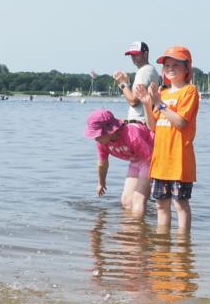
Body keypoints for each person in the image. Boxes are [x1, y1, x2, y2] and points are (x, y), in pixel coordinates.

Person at [135, 46, 200, 232]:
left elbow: (180, 122)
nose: (170, 68)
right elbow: (152, 126)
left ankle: (182, 249)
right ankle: (162, 249)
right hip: (160, 161)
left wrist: (159, 104)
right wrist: (148, 104)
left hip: (179, 161)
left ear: (187, 68)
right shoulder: (162, 93)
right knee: (160, 206)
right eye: (167, 65)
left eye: (175, 65)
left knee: (180, 205)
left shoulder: (189, 91)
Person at [84, 109, 155, 218]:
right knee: (126, 201)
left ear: (109, 130)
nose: (96, 139)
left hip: (151, 157)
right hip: (135, 160)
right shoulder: (102, 143)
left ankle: (136, 230)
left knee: (138, 198)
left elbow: (152, 158)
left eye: (98, 134)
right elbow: (102, 164)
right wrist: (101, 183)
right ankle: (130, 230)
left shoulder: (132, 136)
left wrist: (161, 181)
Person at [112, 41, 161, 126]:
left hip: (140, 123)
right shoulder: (151, 70)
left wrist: (123, 84)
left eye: (136, 54)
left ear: (145, 54)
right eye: (132, 55)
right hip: (145, 122)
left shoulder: (144, 71)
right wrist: (126, 85)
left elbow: (133, 101)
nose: (133, 58)